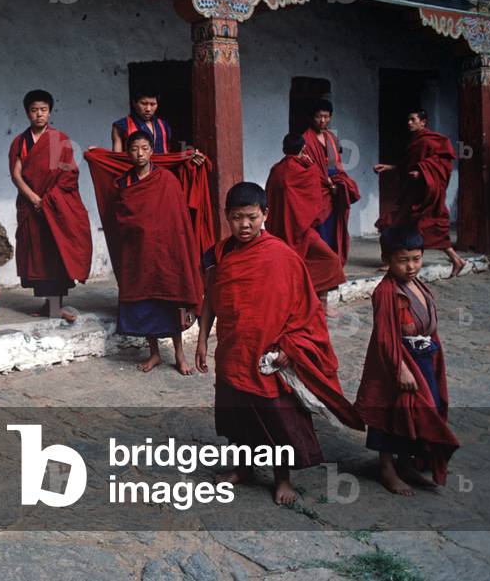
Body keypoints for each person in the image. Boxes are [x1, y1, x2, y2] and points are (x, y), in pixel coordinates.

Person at [195, 182, 362, 504]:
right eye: (237, 217)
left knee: (277, 419)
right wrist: (202, 339)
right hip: (233, 349)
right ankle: (243, 469)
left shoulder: (282, 256)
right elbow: (210, 299)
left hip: (268, 353)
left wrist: (290, 345)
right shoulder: (218, 254)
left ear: (266, 215)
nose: (245, 225)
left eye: (252, 217)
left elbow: (306, 309)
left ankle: (281, 478)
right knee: (237, 416)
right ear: (226, 216)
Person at [354, 225, 459, 495]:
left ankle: (406, 463)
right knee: (391, 413)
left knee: (420, 411)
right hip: (395, 363)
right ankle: (387, 469)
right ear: (387, 260)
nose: (411, 266)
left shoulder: (418, 285)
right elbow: (384, 336)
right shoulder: (387, 291)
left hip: (423, 360)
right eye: (403, 261)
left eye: (416, 259)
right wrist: (400, 368)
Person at [110, 131, 202, 374]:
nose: (139, 153)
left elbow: (176, 219)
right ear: (128, 153)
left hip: (164, 253)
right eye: (134, 149)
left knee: (169, 303)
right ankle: (154, 354)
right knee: (144, 305)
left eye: (144, 148)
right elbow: (121, 218)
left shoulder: (167, 180)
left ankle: (180, 356)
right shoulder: (123, 183)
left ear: (152, 150)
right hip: (138, 252)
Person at [8, 89, 92, 323]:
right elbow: (16, 175)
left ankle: (56, 307)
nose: (39, 115)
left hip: (56, 206)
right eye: (34, 110)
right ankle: (49, 305)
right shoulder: (21, 141)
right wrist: (35, 199)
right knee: (39, 256)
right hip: (32, 206)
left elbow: (68, 175)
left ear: (50, 112)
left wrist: (49, 200)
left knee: (58, 252)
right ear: (27, 113)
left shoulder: (58, 140)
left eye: (43, 110)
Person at [374, 109, 465, 277]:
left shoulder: (431, 141)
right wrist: (388, 167)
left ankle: (392, 262)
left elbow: (442, 164)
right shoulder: (414, 141)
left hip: (424, 197)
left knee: (410, 227)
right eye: (408, 119)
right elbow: (408, 166)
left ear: (423, 122)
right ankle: (457, 260)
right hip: (412, 195)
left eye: (413, 119)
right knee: (395, 225)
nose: (409, 123)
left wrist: (422, 173)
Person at [265, 133, 346, 303]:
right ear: (303, 148)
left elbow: (269, 197)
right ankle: (320, 300)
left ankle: (314, 298)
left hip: (279, 229)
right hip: (302, 230)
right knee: (330, 260)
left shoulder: (276, 170)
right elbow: (314, 198)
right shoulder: (307, 169)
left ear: (283, 149)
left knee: (294, 266)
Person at [301, 99, 359, 266]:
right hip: (318, 188)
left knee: (334, 226)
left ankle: (333, 261)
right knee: (319, 225)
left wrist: (341, 181)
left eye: (326, 117)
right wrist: (325, 182)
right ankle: (320, 262)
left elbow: (337, 163)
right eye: (319, 117)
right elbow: (307, 167)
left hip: (334, 188)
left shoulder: (332, 138)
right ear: (313, 118)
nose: (323, 121)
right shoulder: (306, 140)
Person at [110, 87, 206, 164]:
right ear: (134, 103)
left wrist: (189, 157)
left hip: (161, 174)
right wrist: (96, 153)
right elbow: (117, 160)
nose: (148, 109)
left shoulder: (163, 126)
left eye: (153, 104)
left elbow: (169, 156)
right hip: (136, 175)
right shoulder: (121, 126)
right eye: (144, 103)